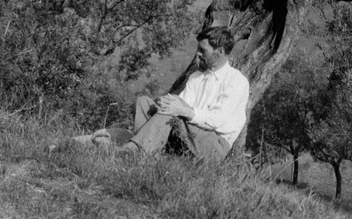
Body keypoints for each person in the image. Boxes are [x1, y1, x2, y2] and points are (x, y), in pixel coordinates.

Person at [76, 26, 249, 163]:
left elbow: (219, 122)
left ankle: (132, 152)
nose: (198, 54)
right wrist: (166, 103)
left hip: (213, 145)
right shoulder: (197, 77)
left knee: (169, 113)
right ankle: (146, 150)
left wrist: (184, 111)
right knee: (144, 102)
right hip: (189, 135)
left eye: (203, 50)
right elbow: (183, 104)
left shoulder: (236, 81)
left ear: (219, 52)